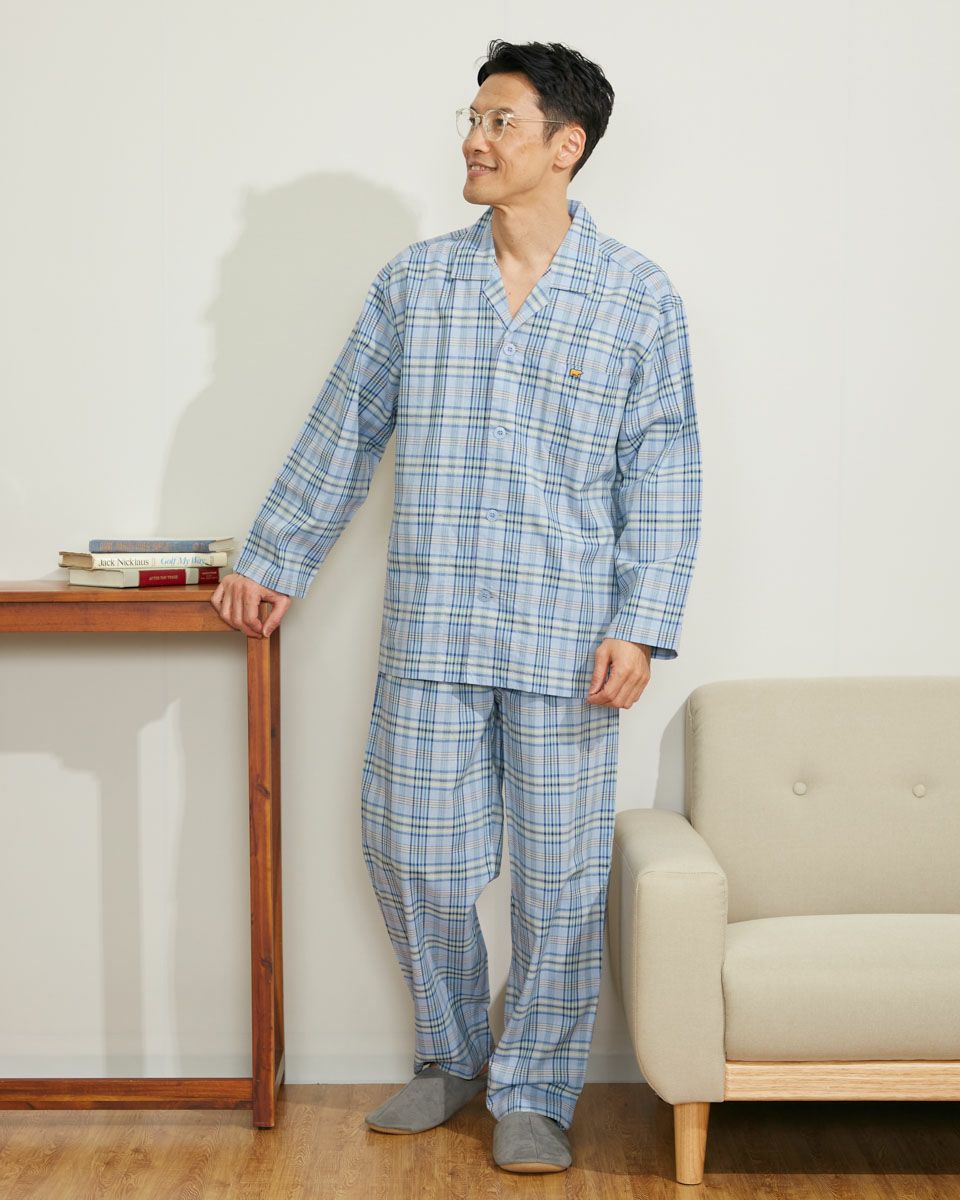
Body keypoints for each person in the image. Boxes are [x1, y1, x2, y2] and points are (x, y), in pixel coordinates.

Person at [211, 38, 702, 1174]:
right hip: (433, 625)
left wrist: (641, 621)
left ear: (565, 147)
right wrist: (275, 557)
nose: (474, 141)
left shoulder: (637, 298)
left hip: (570, 638)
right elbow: (343, 429)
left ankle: (535, 1088)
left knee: (560, 882)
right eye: (471, 120)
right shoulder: (415, 285)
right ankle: (452, 1053)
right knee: (410, 851)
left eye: (500, 122)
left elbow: (666, 472)